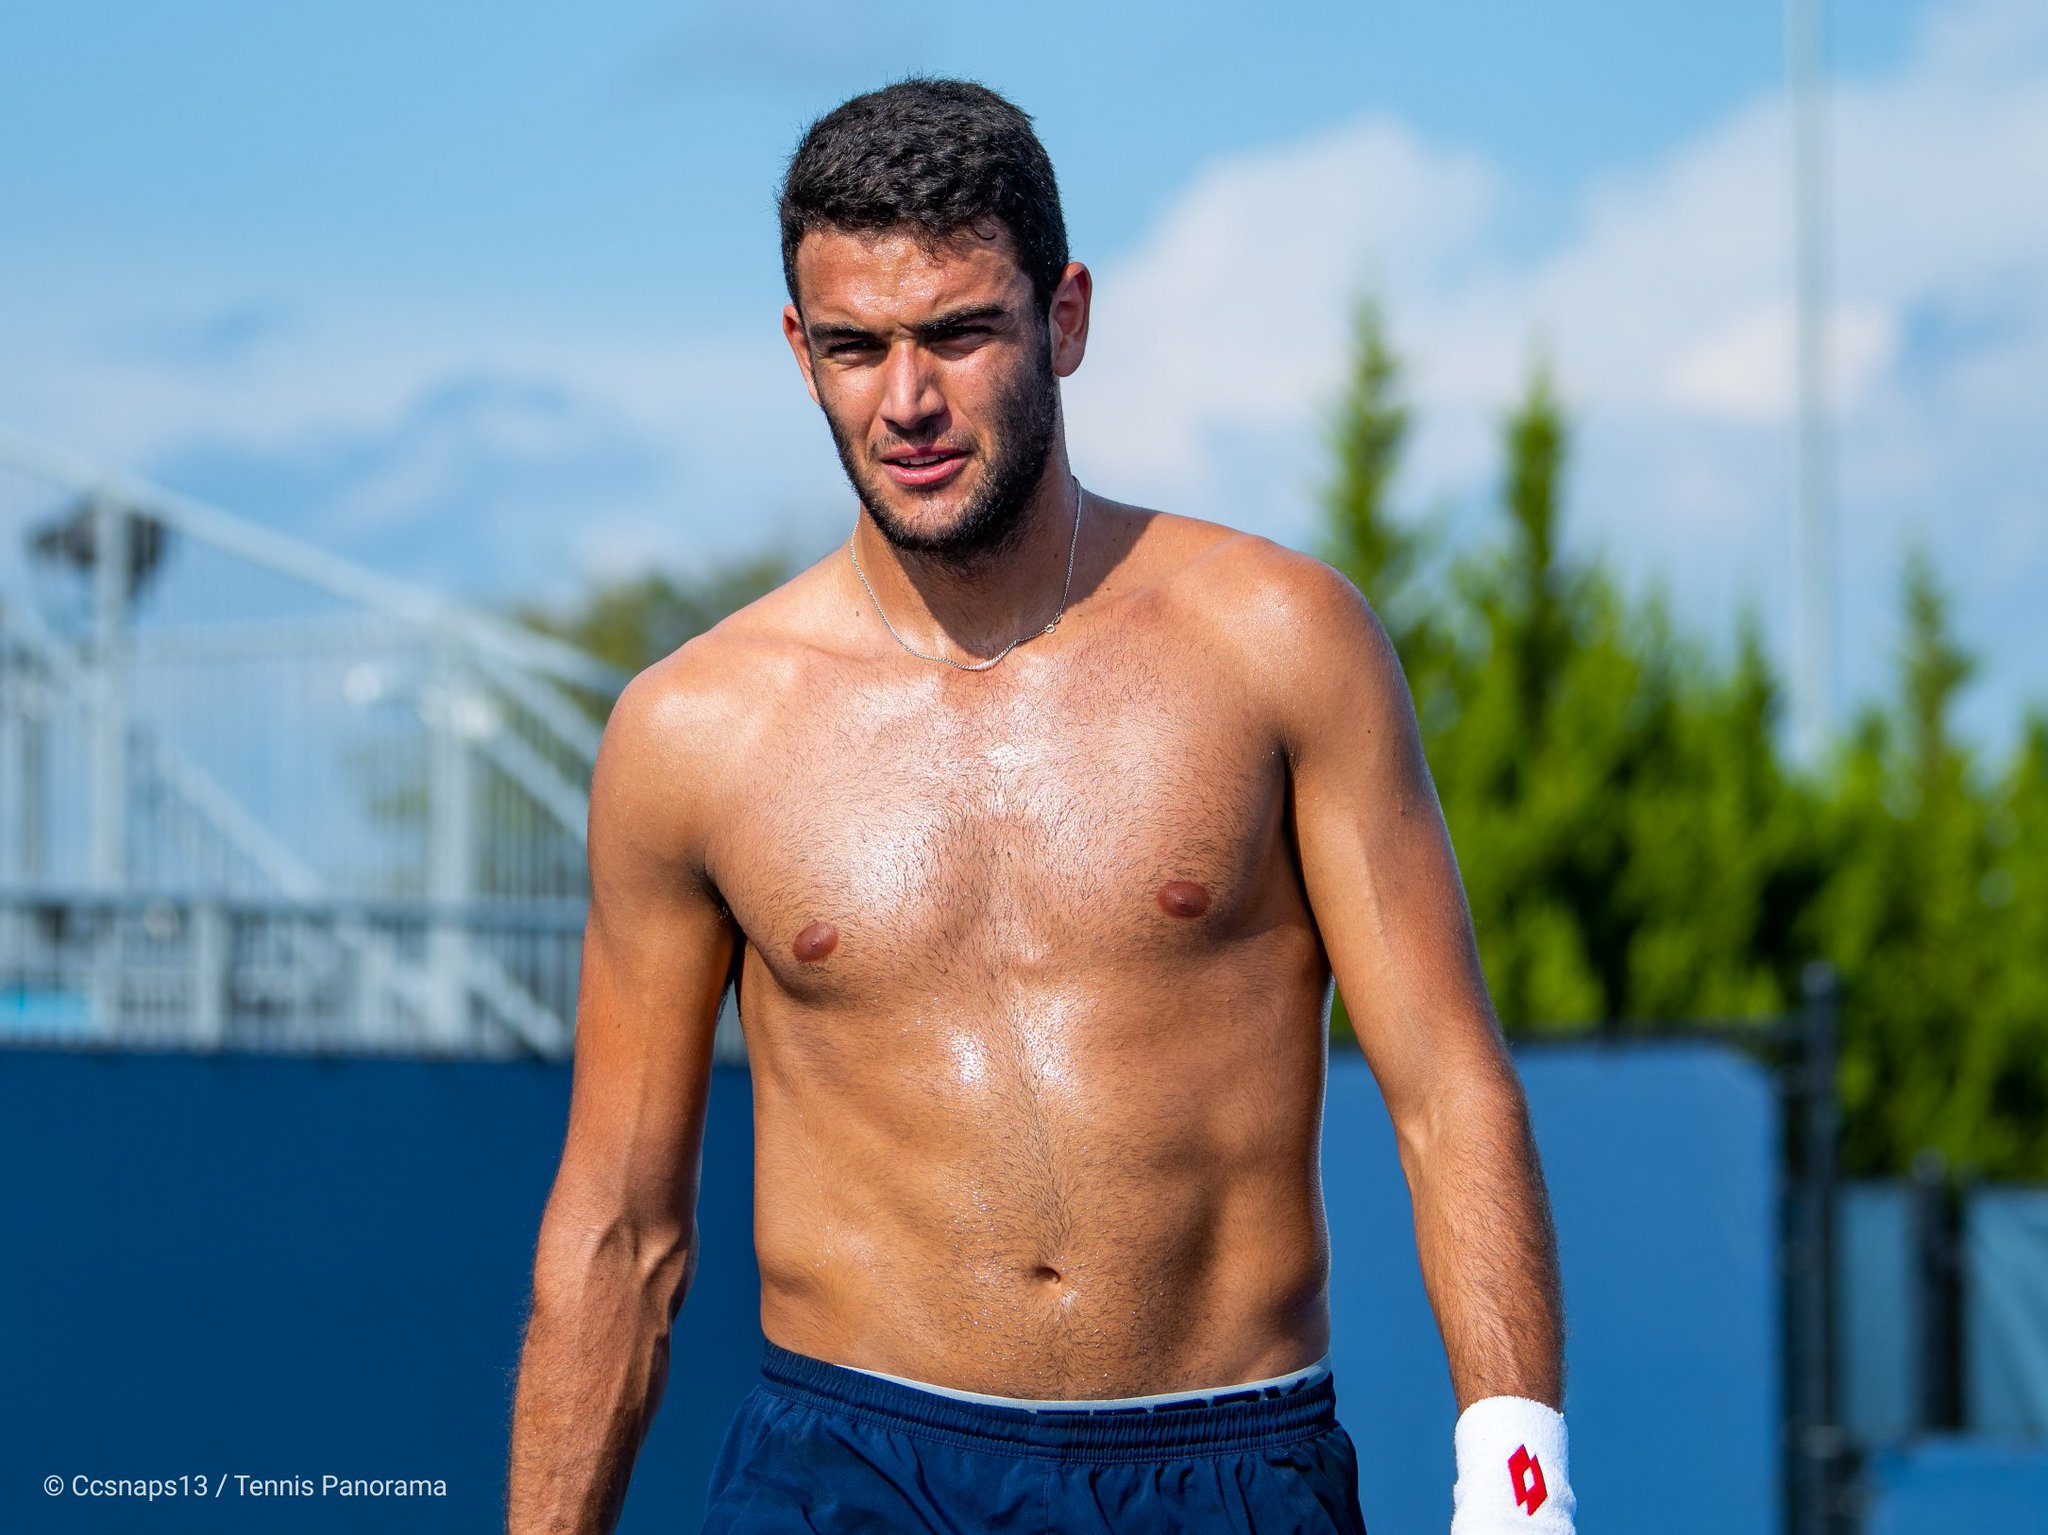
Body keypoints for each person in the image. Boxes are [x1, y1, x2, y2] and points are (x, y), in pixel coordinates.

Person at [506, 77, 1574, 1535]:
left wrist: (1523, 1493)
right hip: (846, 1473)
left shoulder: (1278, 642)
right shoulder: (691, 731)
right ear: (796, 351)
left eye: (957, 332)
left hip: (1221, 1470)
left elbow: (1451, 1094)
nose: (908, 402)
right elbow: (621, 1229)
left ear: (1064, 318)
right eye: (855, 348)